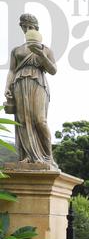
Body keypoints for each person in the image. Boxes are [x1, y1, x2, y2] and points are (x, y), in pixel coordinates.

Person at [4, 13, 57, 167]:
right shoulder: (16, 50)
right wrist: (7, 86)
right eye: (24, 27)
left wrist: (41, 54)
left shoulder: (45, 49)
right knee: (22, 120)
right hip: (19, 83)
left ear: (36, 28)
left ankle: (48, 157)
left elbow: (53, 70)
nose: (27, 29)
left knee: (40, 120)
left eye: (30, 27)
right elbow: (12, 70)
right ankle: (27, 156)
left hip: (38, 83)